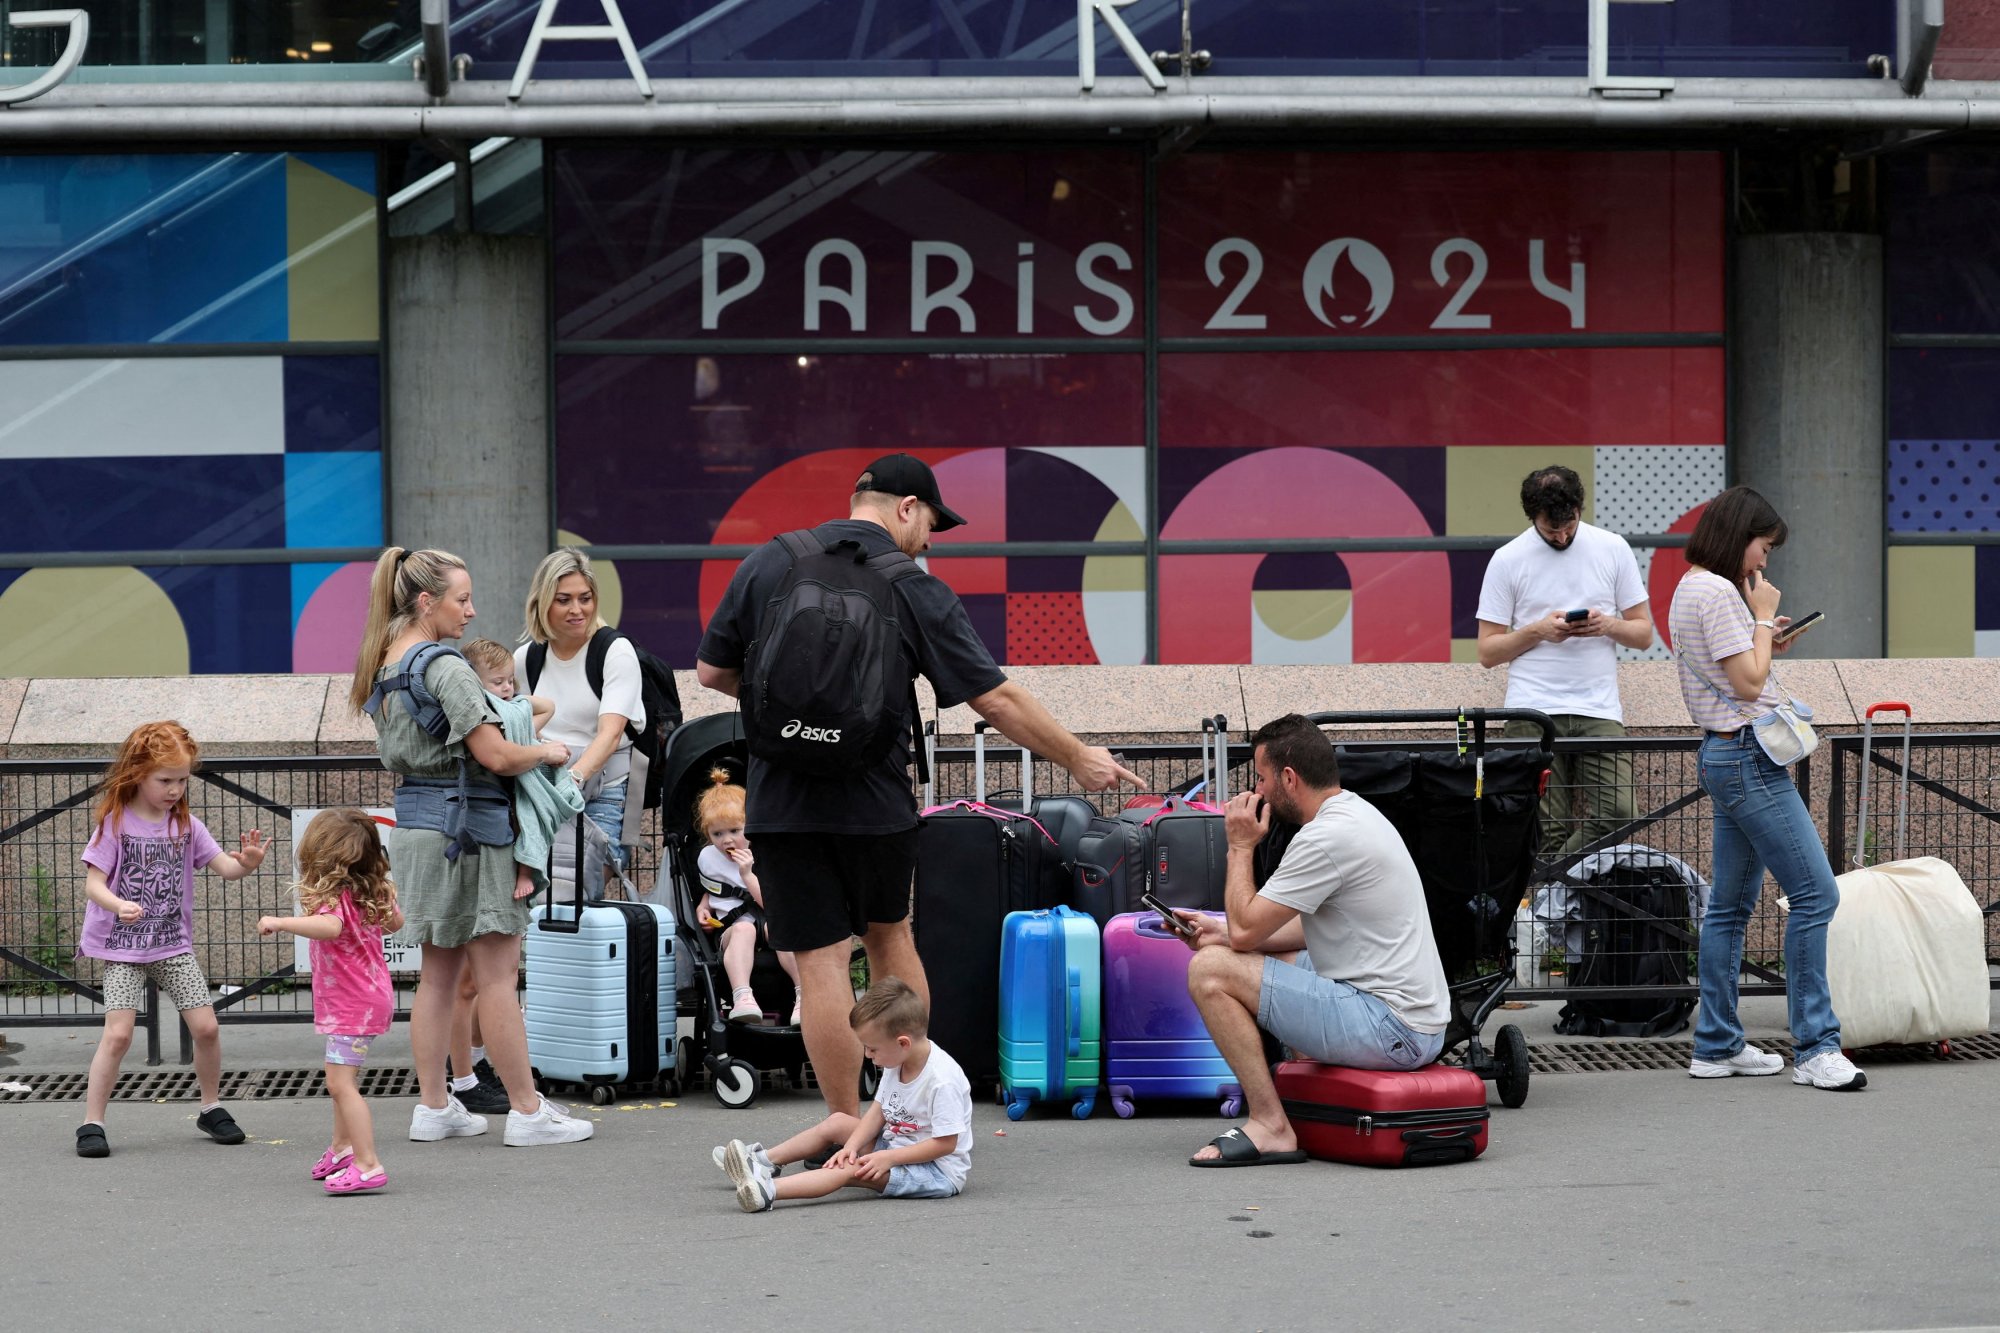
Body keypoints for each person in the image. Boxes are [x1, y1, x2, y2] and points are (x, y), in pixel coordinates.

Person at [695, 453, 1142, 1118]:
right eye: (930, 523)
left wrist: (792, 714)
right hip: (873, 800)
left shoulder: (770, 560)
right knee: (889, 940)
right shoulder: (911, 583)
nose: (929, 540)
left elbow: (710, 671)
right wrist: (1076, 755)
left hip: (783, 801)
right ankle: (908, 1110)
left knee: (819, 964)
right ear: (905, 508)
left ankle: (845, 1124)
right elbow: (995, 698)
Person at [351, 546, 594, 1147]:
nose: (472, 609)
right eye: (462, 598)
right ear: (427, 601)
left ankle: (434, 1107)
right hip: (472, 832)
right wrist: (549, 752)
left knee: (435, 978)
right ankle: (528, 1112)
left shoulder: (384, 663)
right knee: (497, 977)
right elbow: (497, 755)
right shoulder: (446, 667)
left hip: (415, 829)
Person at [1174, 713, 1451, 1167]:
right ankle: (1311, 1097)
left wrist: (1240, 847)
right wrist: (1219, 932)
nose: (1258, 791)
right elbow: (1292, 930)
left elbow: (1247, 928)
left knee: (1209, 971)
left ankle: (1271, 1124)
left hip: (1391, 1029)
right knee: (1270, 951)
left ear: (1289, 777)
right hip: (1413, 1021)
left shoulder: (1325, 838)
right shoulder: (1355, 812)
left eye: (1261, 779)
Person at [1668, 486, 1865, 1091]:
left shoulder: (1688, 586)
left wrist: (1763, 637)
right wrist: (1759, 620)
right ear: (1739, 535)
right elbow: (1751, 687)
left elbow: (1738, 671)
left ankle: (1718, 1044)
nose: (1764, 562)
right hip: (1749, 758)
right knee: (1816, 895)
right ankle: (1816, 1047)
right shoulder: (1723, 591)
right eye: (1763, 547)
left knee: (1728, 908)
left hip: (1725, 755)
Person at [74, 720, 268, 1158]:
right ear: (137, 773)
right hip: (122, 948)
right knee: (119, 1035)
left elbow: (227, 869)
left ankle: (211, 1107)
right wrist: (117, 903)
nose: (175, 789)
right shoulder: (115, 823)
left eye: (182, 780)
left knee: (206, 1027)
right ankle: (92, 1121)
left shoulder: (186, 825)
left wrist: (248, 864)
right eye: (165, 780)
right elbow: (93, 884)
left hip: (171, 944)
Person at [1476, 465, 1654, 859]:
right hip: (1531, 710)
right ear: (1532, 518)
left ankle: (1551, 896)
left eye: (1568, 526)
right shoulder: (1508, 559)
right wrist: (1537, 631)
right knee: (1544, 830)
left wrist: (1607, 625)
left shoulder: (1612, 547)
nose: (1562, 536)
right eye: (1550, 530)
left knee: (1620, 812)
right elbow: (1487, 652)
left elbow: (1643, 634)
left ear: (1579, 508)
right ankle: (1554, 915)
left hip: (1599, 707)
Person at [714, 977, 971, 1212]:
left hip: (935, 1171)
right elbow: (878, 1111)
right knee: (838, 1122)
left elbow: (946, 1144)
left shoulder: (942, 1080)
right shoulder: (898, 1059)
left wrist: (887, 1157)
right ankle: (762, 1161)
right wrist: (851, 1147)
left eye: (872, 1049)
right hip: (896, 1148)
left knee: (848, 1169)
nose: (868, 1055)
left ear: (903, 1042)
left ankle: (767, 1191)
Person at [256, 809, 405, 1194]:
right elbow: (395, 924)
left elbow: (330, 927)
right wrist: (384, 895)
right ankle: (342, 1147)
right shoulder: (368, 890)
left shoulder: (339, 896)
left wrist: (281, 922)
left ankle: (367, 1163)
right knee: (342, 1079)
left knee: (340, 1085)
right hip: (367, 998)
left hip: (352, 1004)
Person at [440, 638, 560, 1114]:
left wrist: (511, 701)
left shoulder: (503, 715)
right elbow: (503, 757)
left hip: (490, 834)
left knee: (471, 981)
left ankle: (469, 1072)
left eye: (511, 678)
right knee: (479, 981)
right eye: (498, 681)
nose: (508, 688)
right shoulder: (476, 720)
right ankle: (468, 1075)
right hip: (482, 837)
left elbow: (543, 706)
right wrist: (534, 745)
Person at [515, 548, 644, 903]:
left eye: (585, 599)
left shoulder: (614, 650)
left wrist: (574, 779)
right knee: (539, 901)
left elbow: (612, 731)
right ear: (543, 603)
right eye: (564, 600)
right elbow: (522, 727)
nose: (577, 610)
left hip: (606, 789)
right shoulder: (526, 659)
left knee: (576, 896)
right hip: (545, 789)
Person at [692, 767, 800, 1026]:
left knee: (779, 928)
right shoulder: (708, 857)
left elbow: (772, 904)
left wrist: (748, 874)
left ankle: (803, 994)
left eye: (734, 831)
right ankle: (743, 997)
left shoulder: (762, 853)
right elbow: (714, 887)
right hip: (732, 928)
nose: (727, 841)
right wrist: (703, 906)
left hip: (768, 919)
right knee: (743, 931)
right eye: (717, 834)